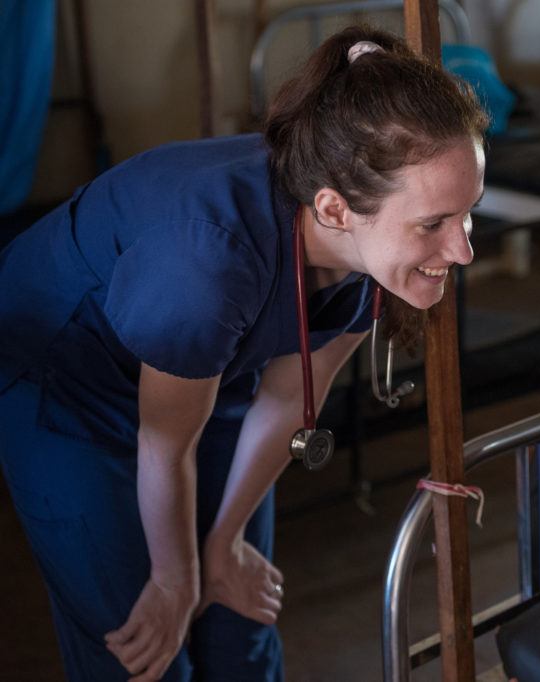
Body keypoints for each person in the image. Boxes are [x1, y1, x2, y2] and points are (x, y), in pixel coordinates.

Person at [0, 26, 487, 682]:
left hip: (204, 372)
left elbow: (287, 396)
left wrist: (222, 544)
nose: (463, 252)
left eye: (468, 214)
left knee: (239, 619)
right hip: (65, 383)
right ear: (334, 209)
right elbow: (164, 444)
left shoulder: (373, 249)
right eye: (434, 224)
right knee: (142, 646)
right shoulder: (206, 263)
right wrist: (176, 581)